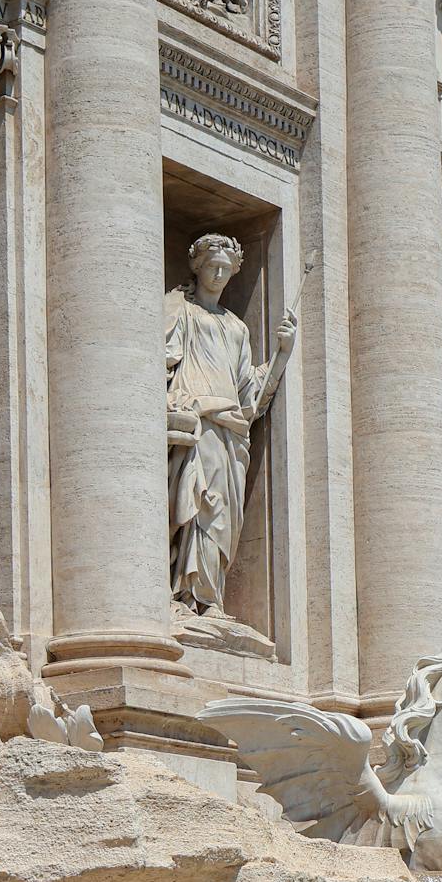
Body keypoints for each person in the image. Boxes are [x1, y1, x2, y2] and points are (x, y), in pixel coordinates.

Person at [164, 233, 296, 614]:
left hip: (232, 431)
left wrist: (282, 355)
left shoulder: (237, 328)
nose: (218, 274)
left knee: (222, 516)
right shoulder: (177, 308)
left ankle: (210, 597)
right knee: (201, 503)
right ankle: (187, 594)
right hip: (200, 421)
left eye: (226, 269)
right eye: (212, 266)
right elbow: (161, 361)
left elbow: (249, 393)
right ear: (198, 267)